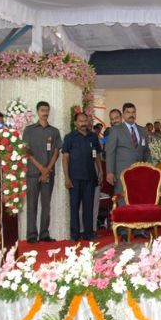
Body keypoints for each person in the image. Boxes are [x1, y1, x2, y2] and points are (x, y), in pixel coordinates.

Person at [22, 101, 61, 243]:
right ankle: (31, 235)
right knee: (32, 205)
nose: (45, 113)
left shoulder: (54, 131)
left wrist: (47, 170)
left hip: (48, 173)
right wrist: (41, 169)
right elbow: (27, 152)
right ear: (37, 112)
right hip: (33, 173)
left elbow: (56, 152)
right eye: (42, 110)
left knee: (46, 205)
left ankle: (44, 234)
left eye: (47, 110)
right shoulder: (29, 130)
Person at [62, 112, 103, 241]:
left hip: (90, 177)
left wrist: (100, 171)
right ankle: (74, 235)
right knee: (74, 207)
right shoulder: (69, 137)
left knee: (88, 207)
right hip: (74, 178)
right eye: (80, 121)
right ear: (76, 123)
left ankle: (88, 233)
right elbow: (65, 158)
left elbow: (97, 156)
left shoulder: (93, 137)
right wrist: (66, 177)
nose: (83, 123)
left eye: (85, 121)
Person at [105, 102, 150, 194]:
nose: (131, 115)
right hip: (122, 172)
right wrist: (110, 172)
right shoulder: (115, 130)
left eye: (133, 112)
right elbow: (110, 152)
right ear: (123, 115)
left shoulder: (142, 130)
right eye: (128, 112)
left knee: (138, 196)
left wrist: (150, 167)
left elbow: (146, 151)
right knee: (123, 198)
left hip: (140, 172)